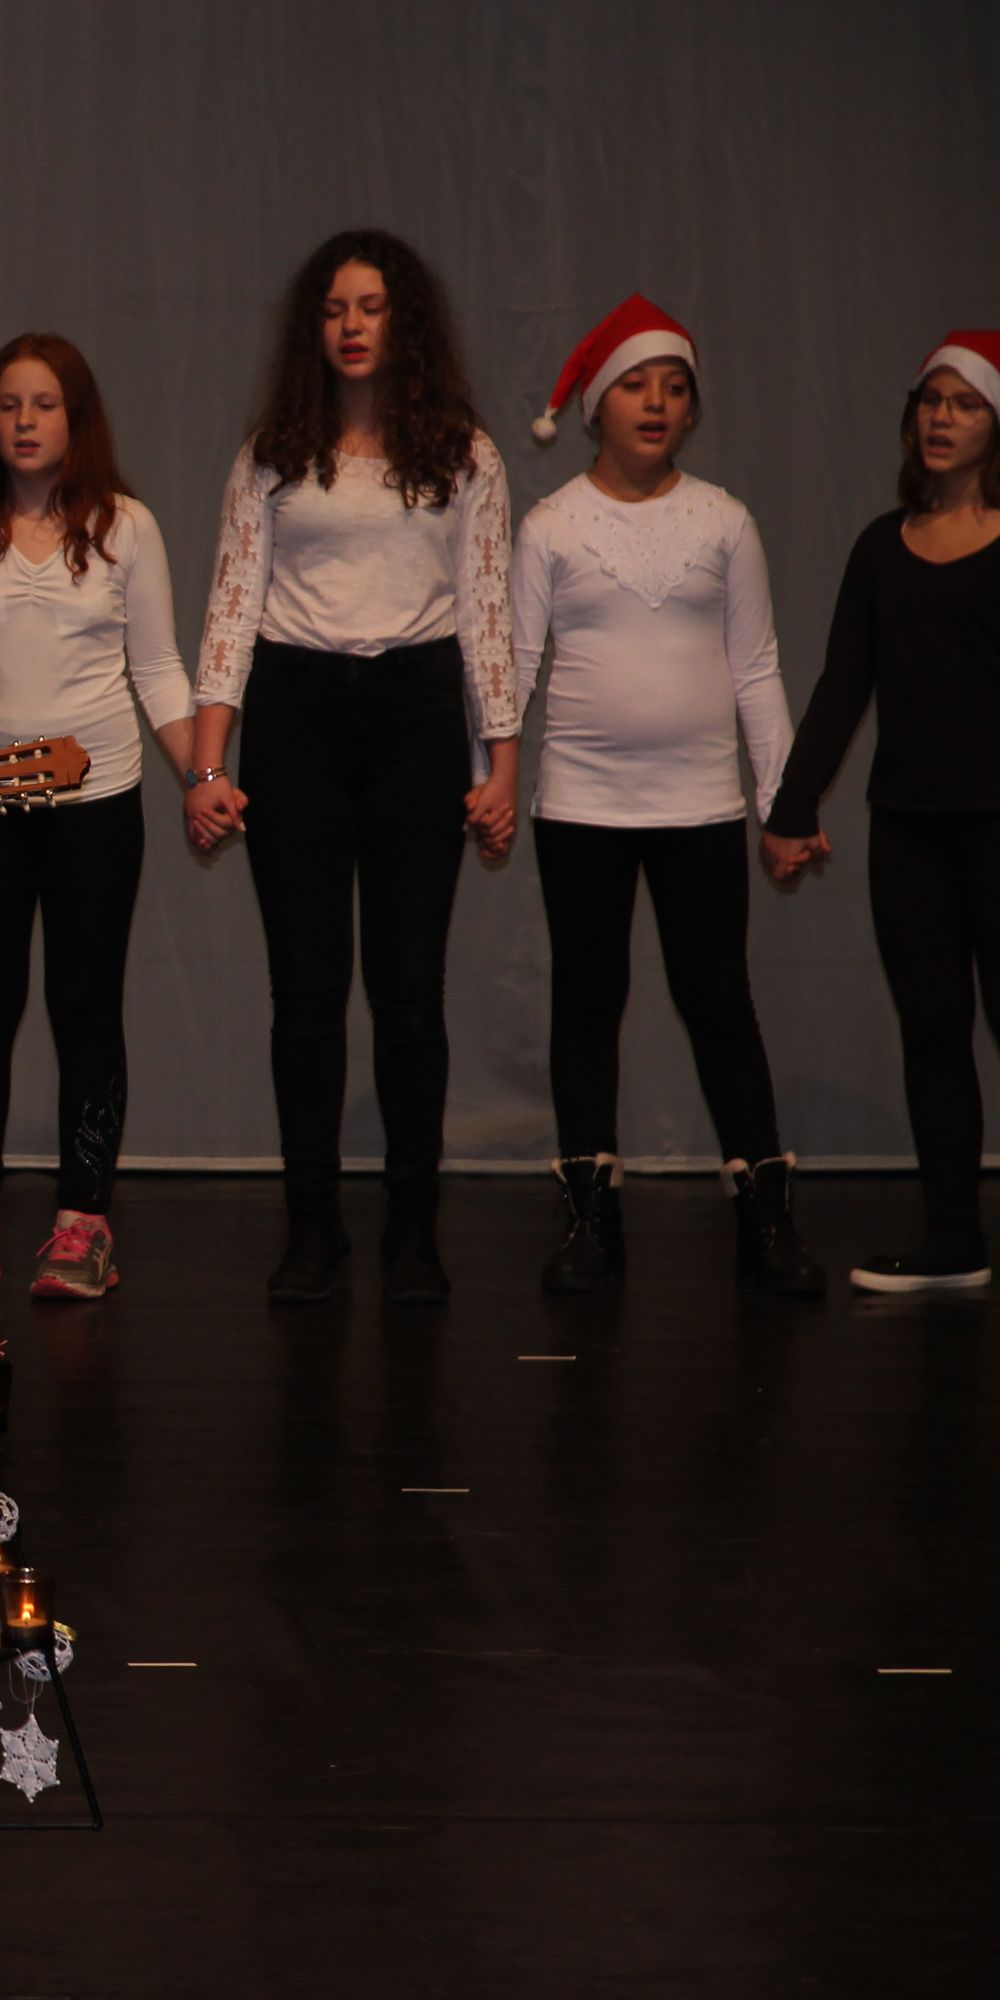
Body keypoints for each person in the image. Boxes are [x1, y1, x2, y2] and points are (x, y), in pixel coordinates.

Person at [183, 228, 519, 1306]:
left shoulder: (465, 455)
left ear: (404, 322)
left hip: (417, 715)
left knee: (410, 992)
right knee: (306, 993)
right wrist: (205, 767)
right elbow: (231, 610)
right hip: (296, 713)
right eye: (334, 309)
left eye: (371, 307)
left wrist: (502, 764)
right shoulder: (273, 454)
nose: (352, 325)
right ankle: (313, 1227)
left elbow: (489, 618)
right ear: (313, 328)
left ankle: (413, 1232)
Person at [0, 334, 196, 1301]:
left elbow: (158, 669)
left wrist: (204, 774)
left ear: (75, 417)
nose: (24, 421)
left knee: (85, 1004)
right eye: (9, 404)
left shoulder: (127, 528)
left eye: (44, 404)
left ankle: (83, 1224)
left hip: (99, 806)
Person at [512, 295, 820, 1297]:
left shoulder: (725, 521)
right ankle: (590, 1219)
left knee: (719, 998)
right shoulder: (551, 527)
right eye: (636, 384)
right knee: (586, 1000)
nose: (655, 402)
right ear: (597, 404)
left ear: (692, 409)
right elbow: (513, 666)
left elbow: (757, 668)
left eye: (674, 387)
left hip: (699, 806)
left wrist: (783, 805)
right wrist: (493, 775)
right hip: (581, 806)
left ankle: (765, 1217)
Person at [762, 330, 1000, 1292]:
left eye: (965, 404)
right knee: (933, 1032)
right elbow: (841, 687)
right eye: (930, 402)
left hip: (998, 827)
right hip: (909, 830)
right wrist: (791, 805)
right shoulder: (880, 546)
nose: (942, 418)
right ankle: (954, 1239)